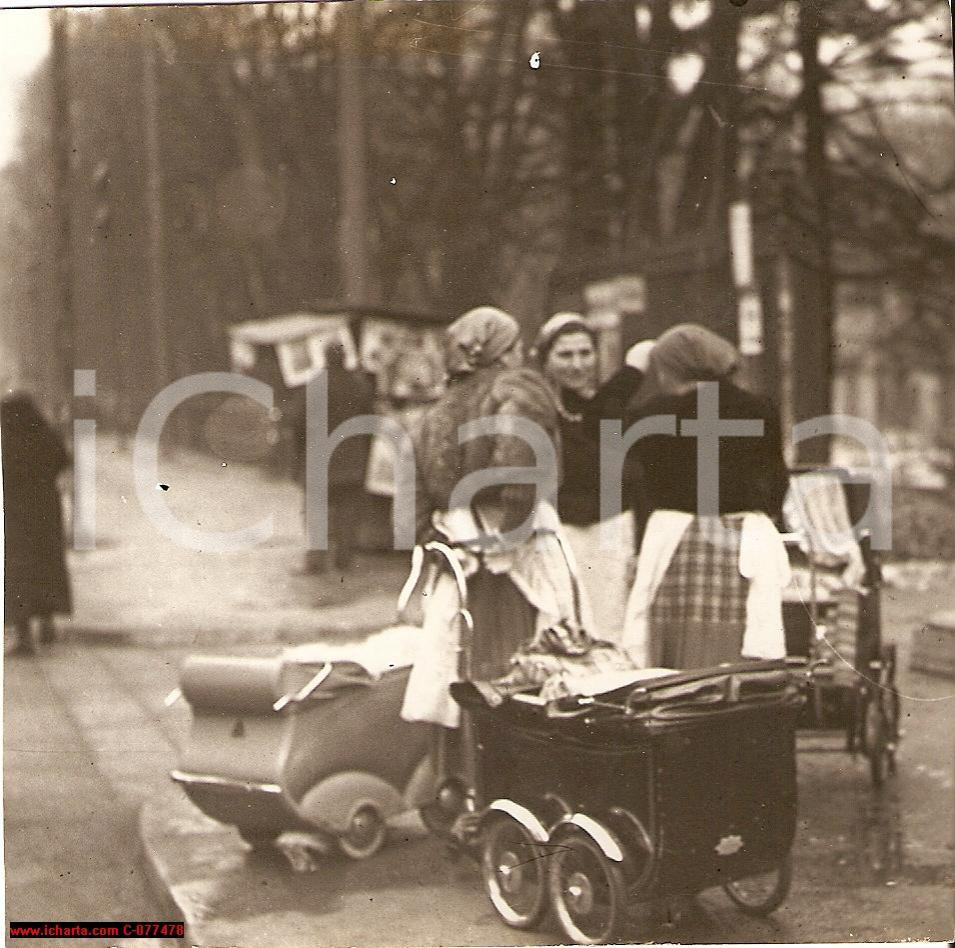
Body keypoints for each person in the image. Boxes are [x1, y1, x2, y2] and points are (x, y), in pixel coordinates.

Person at [401, 306, 586, 732]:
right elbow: (519, 471)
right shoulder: (516, 390)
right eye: (515, 345)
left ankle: (468, 756)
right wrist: (510, 537)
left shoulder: (438, 409)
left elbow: (411, 500)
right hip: (513, 549)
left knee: (461, 659)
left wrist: (437, 542)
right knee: (527, 660)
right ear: (504, 352)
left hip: (460, 552)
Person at [621, 323, 791, 670]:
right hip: (740, 538)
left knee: (675, 651)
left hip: (675, 542)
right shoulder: (759, 407)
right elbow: (776, 479)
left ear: (669, 370)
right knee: (737, 643)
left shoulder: (654, 414)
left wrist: (632, 372)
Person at [532, 313, 648, 642]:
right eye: (565, 355)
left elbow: (633, 476)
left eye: (585, 353)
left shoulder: (611, 406)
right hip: (559, 529)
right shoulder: (537, 410)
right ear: (545, 360)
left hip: (612, 528)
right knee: (560, 624)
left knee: (611, 623)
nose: (577, 365)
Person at [290, 340, 376, 574]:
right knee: (348, 511)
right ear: (345, 358)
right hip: (352, 461)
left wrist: (299, 455)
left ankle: (316, 561)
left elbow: (298, 423)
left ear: (325, 357)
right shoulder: (360, 386)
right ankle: (344, 560)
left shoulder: (314, 385)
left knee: (316, 511)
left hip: (318, 459)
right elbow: (370, 424)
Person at [2, 392, 73, 655]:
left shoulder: (7, 438)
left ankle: (23, 635)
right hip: (46, 512)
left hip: (15, 514)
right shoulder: (47, 434)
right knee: (46, 566)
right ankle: (47, 624)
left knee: (18, 571)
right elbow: (63, 461)